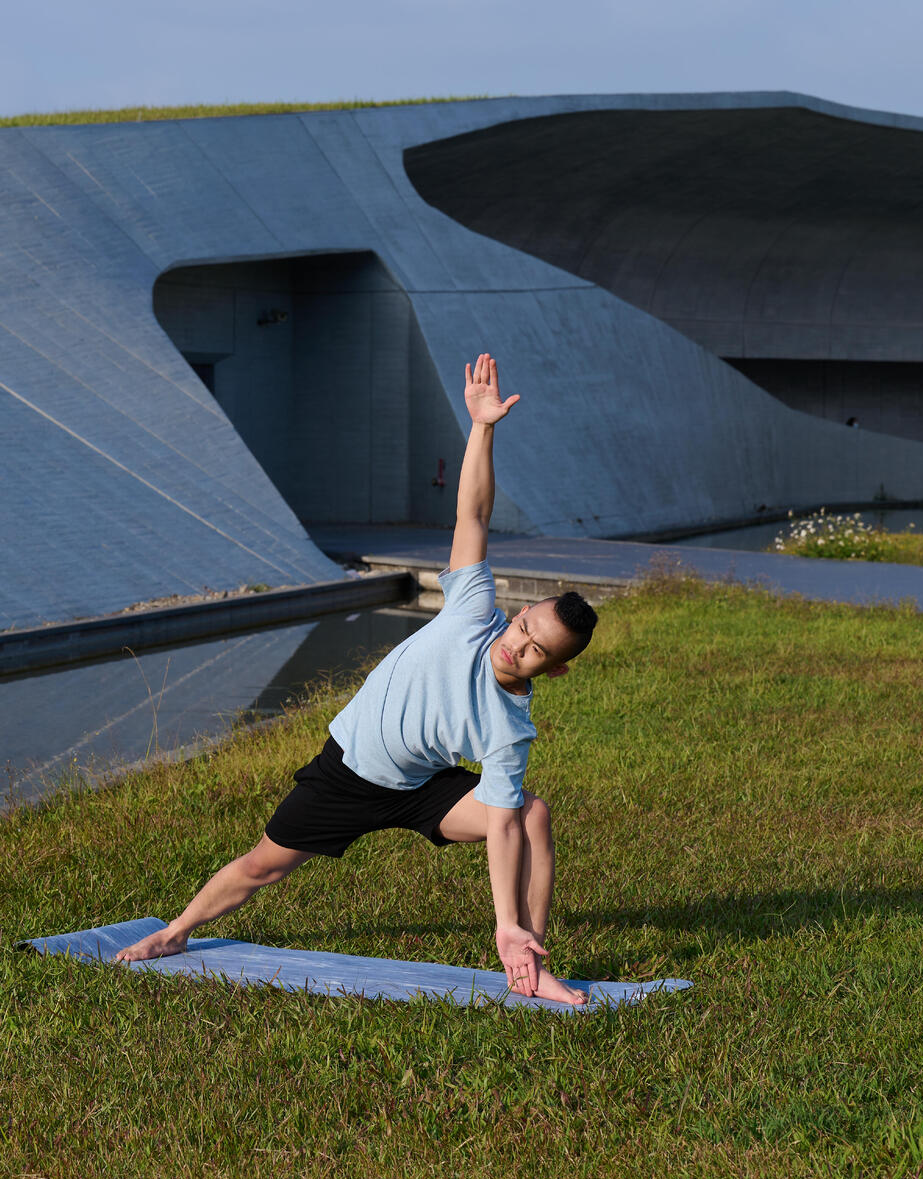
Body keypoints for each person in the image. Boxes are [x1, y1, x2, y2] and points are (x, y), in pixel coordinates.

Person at [117, 354, 598, 1004]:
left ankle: (527, 959)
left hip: (422, 787)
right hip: (348, 773)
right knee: (263, 866)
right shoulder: (472, 611)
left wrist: (505, 921)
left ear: (557, 667)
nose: (519, 649)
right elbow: (474, 517)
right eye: (523, 630)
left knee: (531, 815)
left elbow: (505, 825)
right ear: (514, 616)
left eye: (538, 651)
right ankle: (174, 932)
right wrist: (483, 428)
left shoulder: (511, 727)